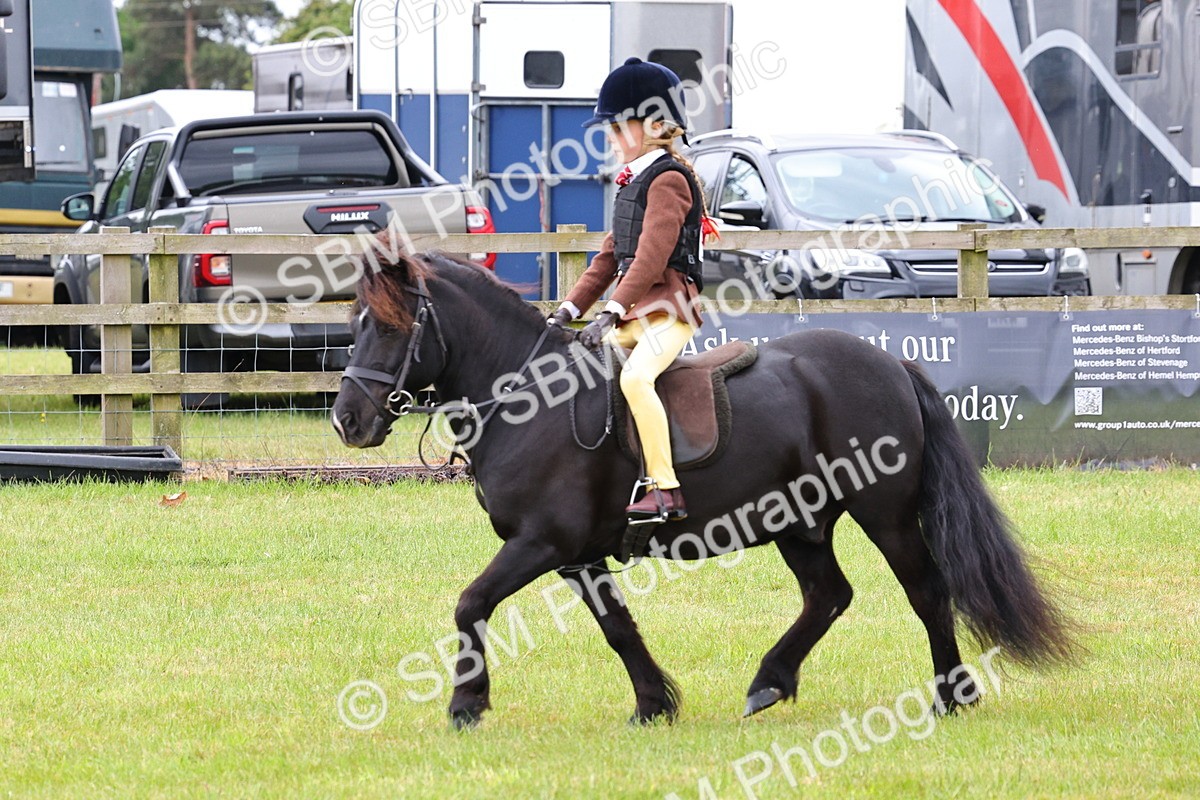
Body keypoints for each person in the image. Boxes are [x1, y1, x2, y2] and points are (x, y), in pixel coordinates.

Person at [547, 57, 714, 521]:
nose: (611, 137)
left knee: (636, 378)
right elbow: (608, 259)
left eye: (620, 126)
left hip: (671, 310)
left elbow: (651, 258)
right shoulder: (632, 183)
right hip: (637, 312)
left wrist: (611, 311)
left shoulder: (668, 180)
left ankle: (666, 488)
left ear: (655, 125)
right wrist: (566, 310)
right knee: (583, 371)